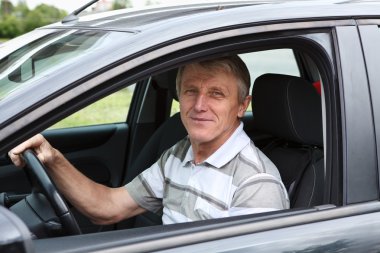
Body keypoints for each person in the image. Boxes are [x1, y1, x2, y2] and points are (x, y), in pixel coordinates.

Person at [9, 55, 289, 225]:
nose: (199, 105)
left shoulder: (256, 184)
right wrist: (51, 157)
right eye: (191, 91)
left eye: (216, 93)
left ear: (242, 105)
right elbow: (107, 207)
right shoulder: (179, 154)